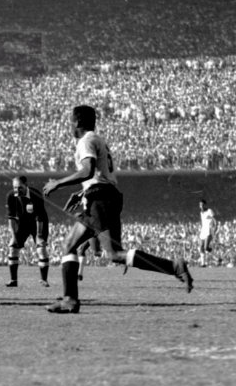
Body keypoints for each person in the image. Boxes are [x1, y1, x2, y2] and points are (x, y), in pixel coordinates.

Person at [42, 105, 193, 314]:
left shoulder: (85, 141)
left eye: (70, 121)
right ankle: (70, 298)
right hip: (102, 196)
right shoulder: (98, 139)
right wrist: (81, 194)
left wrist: (58, 183)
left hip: (100, 199)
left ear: (76, 122)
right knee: (76, 246)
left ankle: (70, 299)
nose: (69, 125)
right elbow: (99, 175)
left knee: (111, 253)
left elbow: (88, 171)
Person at [4, 175, 50, 287]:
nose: (17, 190)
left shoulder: (36, 195)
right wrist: (14, 237)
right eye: (14, 187)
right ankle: (13, 281)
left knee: (41, 249)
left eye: (19, 187)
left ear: (26, 186)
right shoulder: (11, 196)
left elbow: (40, 217)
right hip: (22, 224)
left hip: (38, 224)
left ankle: (44, 280)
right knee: (13, 248)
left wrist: (39, 236)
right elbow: (11, 218)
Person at [198, 199, 219, 267]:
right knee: (201, 246)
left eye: (202, 204)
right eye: (200, 205)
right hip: (203, 230)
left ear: (205, 205)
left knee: (206, 247)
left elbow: (214, 219)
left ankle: (217, 258)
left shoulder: (209, 211)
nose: (201, 206)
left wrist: (215, 226)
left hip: (208, 230)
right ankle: (203, 264)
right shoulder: (201, 212)